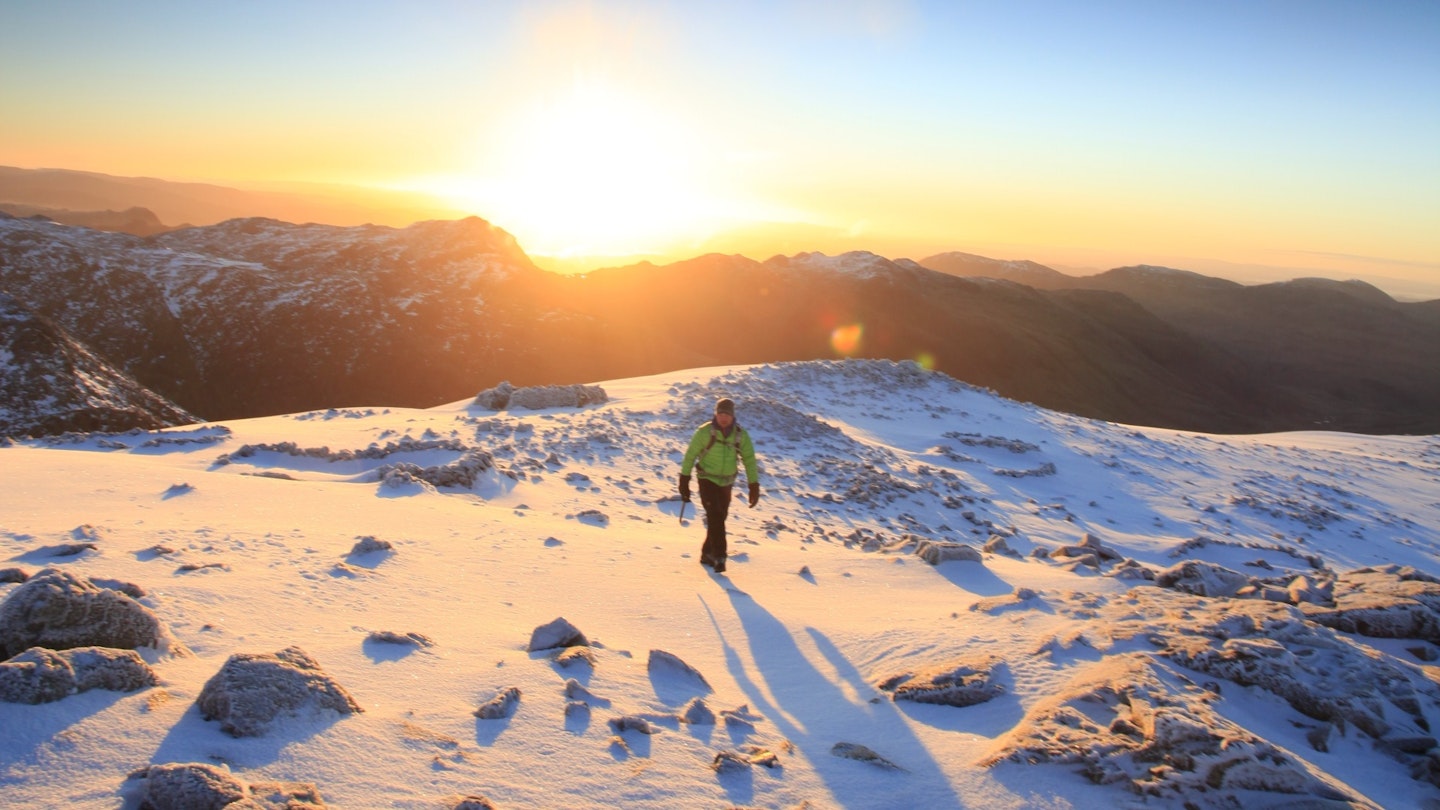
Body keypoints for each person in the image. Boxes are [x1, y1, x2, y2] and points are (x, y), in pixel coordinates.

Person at [678, 397, 760, 573]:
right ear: (715, 414)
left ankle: (706, 553)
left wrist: (753, 485)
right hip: (707, 479)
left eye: (727, 414)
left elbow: (749, 460)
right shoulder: (704, 432)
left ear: (732, 416)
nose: (723, 417)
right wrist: (684, 480)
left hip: (727, 482)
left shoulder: (740, 435)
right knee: (715, 515)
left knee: (720, 518)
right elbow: (690, 456)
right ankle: (720, 556)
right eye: (720, 413)